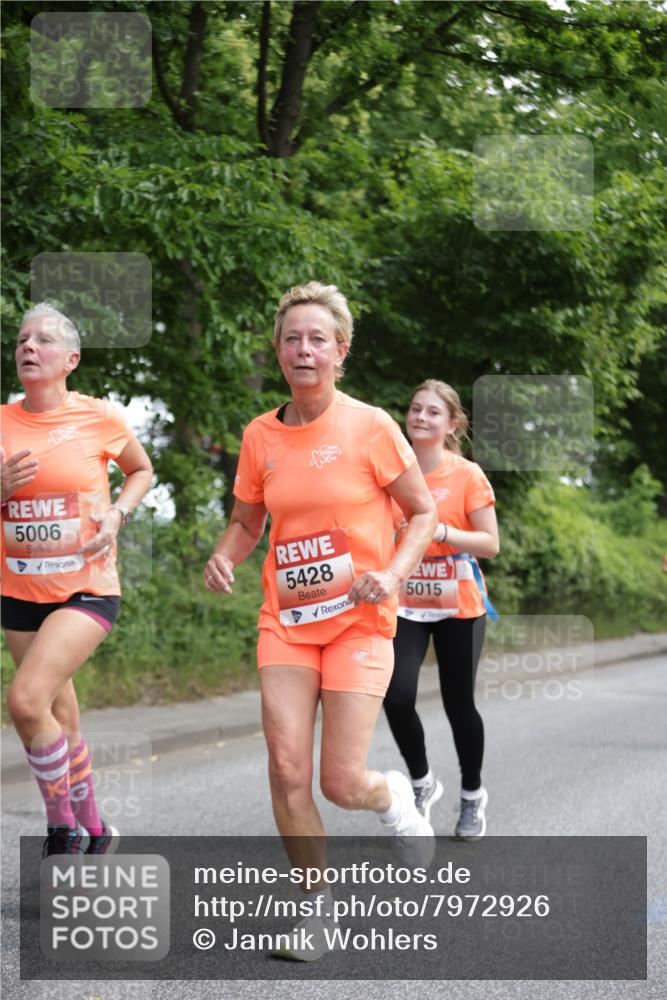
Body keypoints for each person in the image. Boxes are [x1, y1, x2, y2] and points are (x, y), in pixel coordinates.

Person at [204, 282, 437, 960]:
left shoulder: (369, 427)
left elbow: (420, 512)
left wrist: (392, 575)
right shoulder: (260, 435)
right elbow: (248, 519)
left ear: (339, 350)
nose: (302, 350)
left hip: (359, 620)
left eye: (316, 339)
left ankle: (391, 794)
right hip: (287, 620)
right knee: (284, 769)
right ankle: (317, 911)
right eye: (290, 338)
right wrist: (225, 556)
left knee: (339, 782)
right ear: (277, 350)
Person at [1, 303, 153, 857]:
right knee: (56, 714)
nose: (28, 347)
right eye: (22, 339)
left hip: (86, 588)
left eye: (43, 340)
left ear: (71, 359)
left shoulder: (99, 418)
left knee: (24, 701)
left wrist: (117, 515)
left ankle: (60, 827)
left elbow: (141, 470)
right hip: (19, 593)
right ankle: (97, 828)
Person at [383, 379, 499, 840]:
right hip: (407, 601)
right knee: (395, 696)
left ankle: (472, 796)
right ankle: (421, 783)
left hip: (459, 603)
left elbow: (491, 544)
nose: (420, 417)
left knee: (458, 704)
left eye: (432, 412)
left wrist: (443, 533)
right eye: (415, 409)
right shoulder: (390, 471)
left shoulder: (466, 474)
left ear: (452, 424)